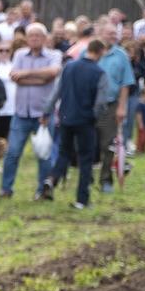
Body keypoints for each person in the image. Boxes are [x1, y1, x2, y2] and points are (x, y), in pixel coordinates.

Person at [0, 22, 63, 197]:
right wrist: (41, 79)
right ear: (27, 38)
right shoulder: (20, 54)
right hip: (21, 113)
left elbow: (53, 72)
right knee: (12, 153)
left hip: (43, 114)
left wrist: (26, 74)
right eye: (31, 35)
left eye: (38, 35)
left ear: (44, 38)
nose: (34, 38)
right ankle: (6, 189)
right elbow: (15, 76)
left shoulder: (54, 55)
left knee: (44, 154)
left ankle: (42, 191)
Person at [42, 40, 106, 209]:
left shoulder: (69, 67)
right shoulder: (99, 72)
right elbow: (100, 102)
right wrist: (95, 117)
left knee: (64, 152)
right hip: (85, 120)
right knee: (85, 159)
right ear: (100, 52)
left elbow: (56, 92)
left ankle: (52, 178)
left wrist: (46, 112)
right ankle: (81, 199)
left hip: (66, 117)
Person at [94, 23, 133, 191]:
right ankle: (87, 178)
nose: (113, 36)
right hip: (90, 105)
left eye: (114, 34)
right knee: (90, 143)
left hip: (111, 105)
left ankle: (106, 180)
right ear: (100, 33)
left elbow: (126, 83)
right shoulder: (90, 51)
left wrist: (122, 107)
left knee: (108, 144)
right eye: (109, 33)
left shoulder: (121, 55)